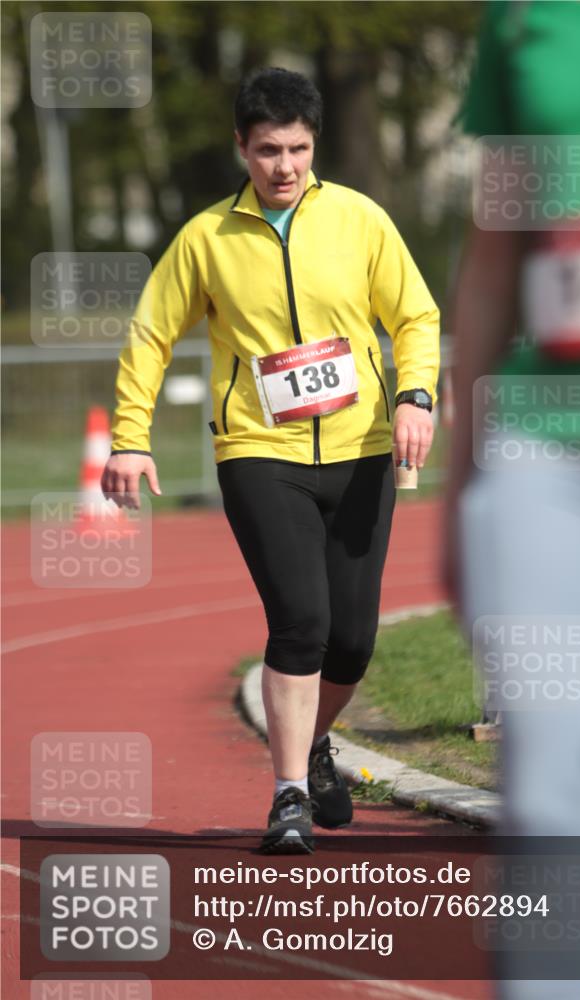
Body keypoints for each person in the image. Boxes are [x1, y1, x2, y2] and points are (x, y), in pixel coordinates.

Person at [102, 67, 440, 854]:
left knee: (353, 639)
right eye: (266, 151)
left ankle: (310, 743)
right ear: (240, 149)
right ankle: (288, 795)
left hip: (360, 451)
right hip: (259, 452)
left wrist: (414, 396)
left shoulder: (359, 220)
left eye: (296, 148)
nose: (283, 166)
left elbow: (415, 317)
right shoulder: (206, 238)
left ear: (313, 144)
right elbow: (150, 337)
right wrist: (129, 437)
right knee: (301, 623)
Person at [447, 2, 580, 997]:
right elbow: (497, 255)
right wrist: (462, 482)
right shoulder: (522, 22)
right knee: (539, 786)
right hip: (546, 446)